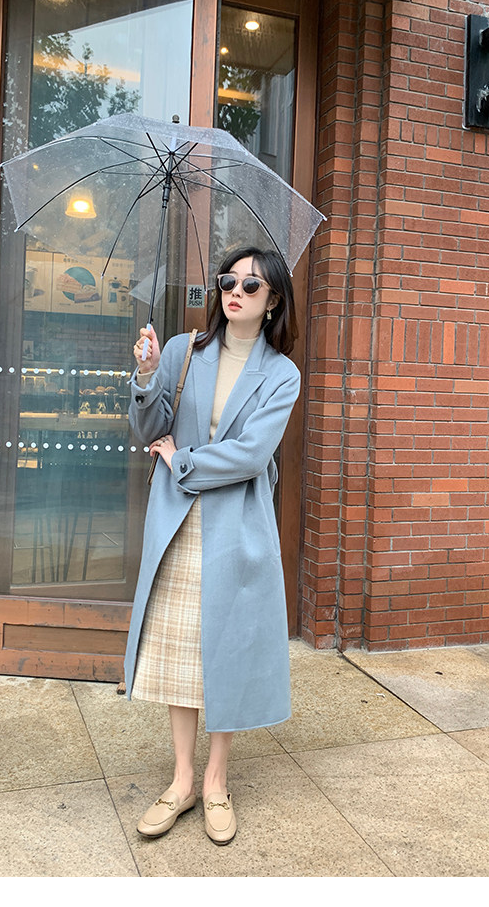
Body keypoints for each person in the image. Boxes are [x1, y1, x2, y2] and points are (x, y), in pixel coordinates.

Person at [125, 246, 300, 845]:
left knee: (225, 650)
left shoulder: (281, 374)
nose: (235, 293)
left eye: (251, 286)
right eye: (228, 281)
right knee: (180, 653)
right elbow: (151, 430)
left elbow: (251, 455)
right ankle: (182, 781)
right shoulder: (183, 351)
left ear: (272, 300)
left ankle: (217, 781)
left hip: (238, 526)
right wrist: (147, 377)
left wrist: (183, 461)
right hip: (178, 522)